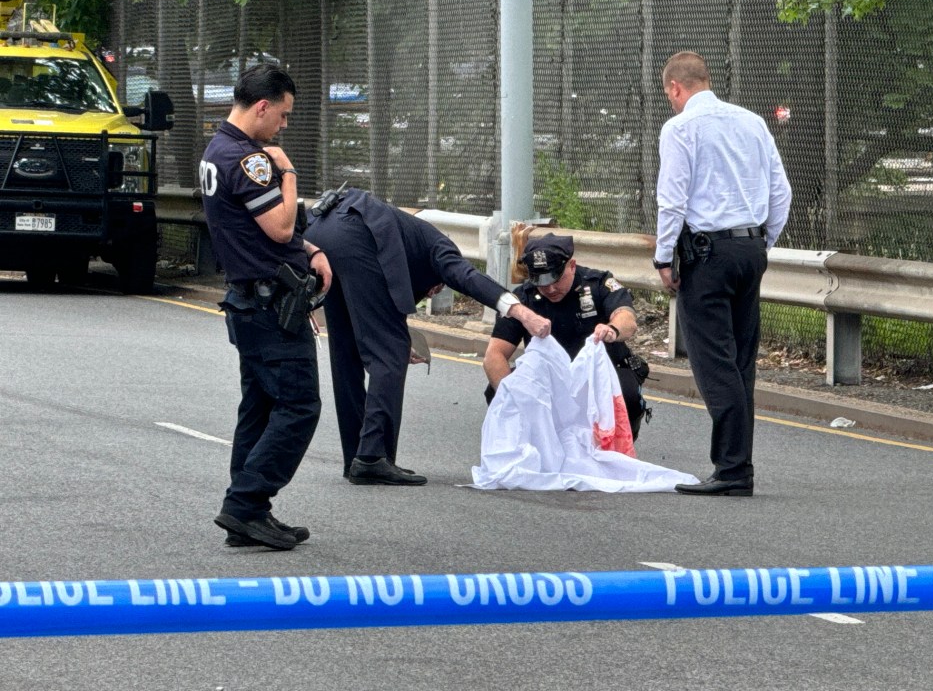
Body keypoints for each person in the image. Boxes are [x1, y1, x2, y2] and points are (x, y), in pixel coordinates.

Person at [303, 187, 552, 486]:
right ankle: (371, 457)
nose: (431, 292)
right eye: (434, 288)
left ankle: (355, 457)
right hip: (357, 231)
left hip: (318, 231)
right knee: (390, 352)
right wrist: (519, 311)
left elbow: (374, 312)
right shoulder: (440, 250)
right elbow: (469, 277)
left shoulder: (411, 243)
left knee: (346, 353)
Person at [199, 63, 332, 549]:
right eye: (282, 115)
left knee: (259, 406)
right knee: (299, 405)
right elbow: (278, 228)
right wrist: (288, 170)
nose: (283, 126)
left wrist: (311, 250)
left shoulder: (217, 150)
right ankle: (245, 503)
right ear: (261, 107)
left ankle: (249, 511)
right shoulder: (250, 159)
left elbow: (268, 236)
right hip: (270, 306)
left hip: (250, 302)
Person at [654, 51, 792, 497]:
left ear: (676, 87)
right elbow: (781, 190)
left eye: (669, 95)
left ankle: (732, 471)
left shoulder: (680, 129)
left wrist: (663, 258)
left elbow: (673, 200)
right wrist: (762, 242)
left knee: (715, 362)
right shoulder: (753, 122)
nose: (671, 103)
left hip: (707, 255)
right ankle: (738, 466)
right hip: (750, 249)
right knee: (740, 361)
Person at [483, 233, 651, 441]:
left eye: (556, 279)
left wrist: (612, 330)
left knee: (628, 394)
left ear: (571, 265)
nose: (551, 289)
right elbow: (494, 355)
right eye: (542, 282)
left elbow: (627, 319)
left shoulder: (598, 283)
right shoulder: (523, 299)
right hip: (550, 376)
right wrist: (512, 397)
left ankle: (618, 444)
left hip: (602, 372)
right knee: (496, 391)